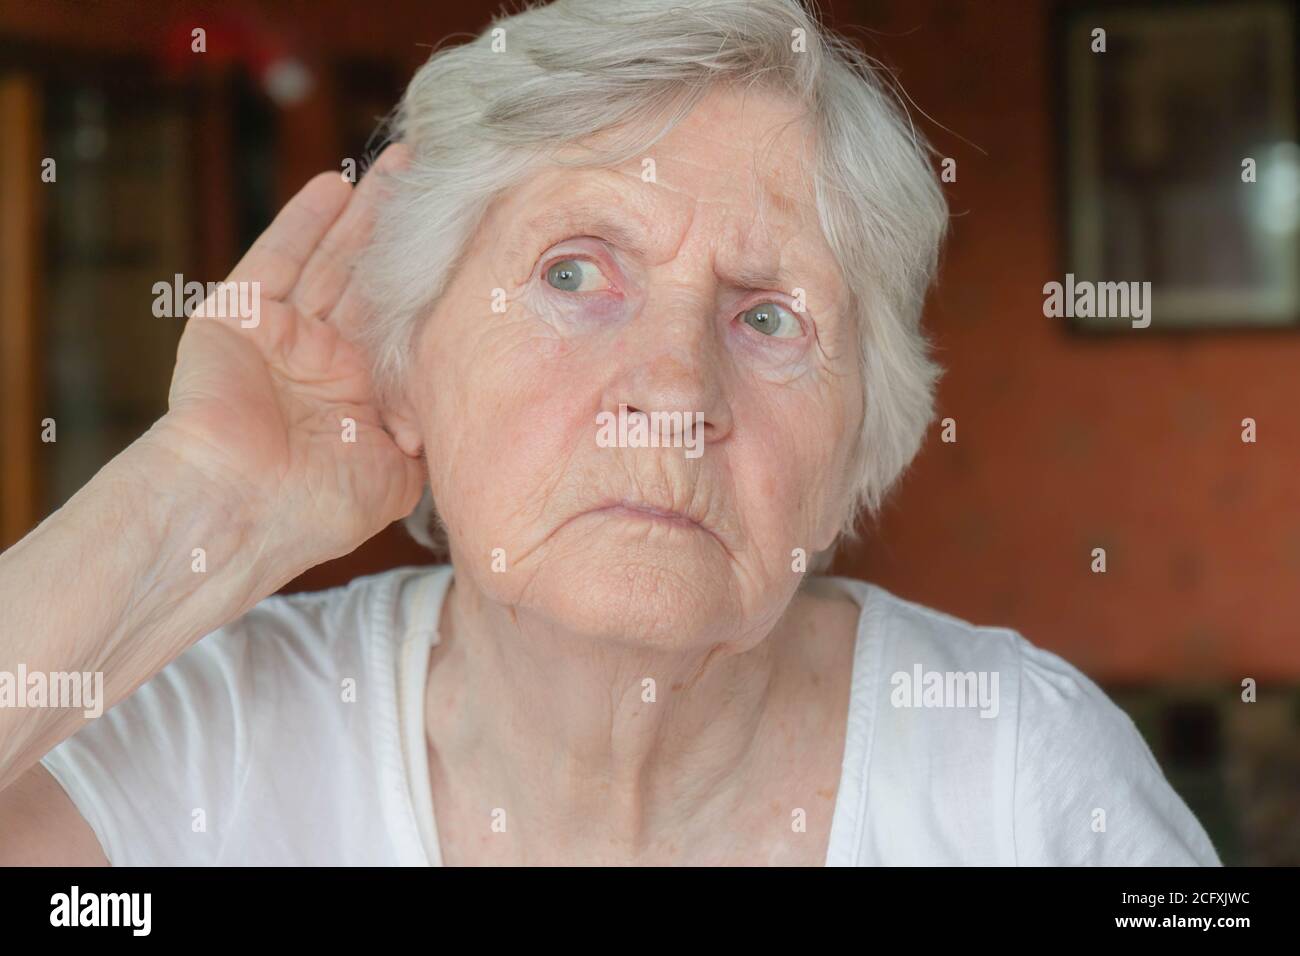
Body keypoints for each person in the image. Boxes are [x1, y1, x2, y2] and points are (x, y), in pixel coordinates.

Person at [0, 0, 1220, 865]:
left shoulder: (1013, 764)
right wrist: (197, 494)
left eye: (768, 314)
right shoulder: (217, 738)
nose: (672, 390)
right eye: (574, 274)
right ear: (407, 362)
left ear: (860, 445)